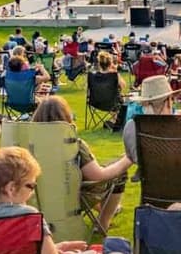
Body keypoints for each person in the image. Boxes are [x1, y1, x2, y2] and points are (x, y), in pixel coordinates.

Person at [30, 96, 133, 233]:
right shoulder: (72, 144)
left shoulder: (29, 144)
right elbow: (97, 176)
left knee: (90, 171)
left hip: (37, 196)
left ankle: (106, 208)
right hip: (72, 196)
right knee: (118, 172)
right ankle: (103, 222)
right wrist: (127, 159)